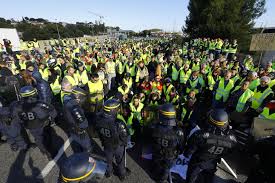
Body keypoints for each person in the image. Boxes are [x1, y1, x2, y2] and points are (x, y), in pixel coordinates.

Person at [185, 109, 237, 183]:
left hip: (198, 163)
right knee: (208, 179)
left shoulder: (200, 135)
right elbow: (229, 152)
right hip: (212, 163)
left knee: (191, 179)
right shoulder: (232, 138)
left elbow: (188, 152)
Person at [11, 86, 57, 159]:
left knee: (38, 139)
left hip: (31, 127)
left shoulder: (16, 106)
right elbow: (53, 112)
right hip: (43, 125)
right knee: (47, 138)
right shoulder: (39, 104)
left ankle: (44, 151)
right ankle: (50, 152)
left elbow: (17, 119)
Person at [95, 99, 131, 181]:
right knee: (120, 161)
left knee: (108, 160)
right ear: (113, 110)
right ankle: (122, 175)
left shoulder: (99, 119)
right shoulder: (119, 123)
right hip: (118, 146)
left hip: (106, 145)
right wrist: (125, 143)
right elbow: (125, 136)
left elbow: (98, 131)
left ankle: (108, 172)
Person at [151, 103, 185, 183]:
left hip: (157, 152)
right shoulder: (178, 131)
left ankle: (155, 174)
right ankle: (161, 180)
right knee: (166, 169)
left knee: (157, 164)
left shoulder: (155, 126)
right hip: (170, 155)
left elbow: (152, 139)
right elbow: (181, 147)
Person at [63, 87, 92, 153]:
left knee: (76, 144)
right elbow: (83, 123)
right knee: (87, 147)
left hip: (71, 127)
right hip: (79, 130)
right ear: (78, 97)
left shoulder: (67, 101)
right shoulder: (75, 108)